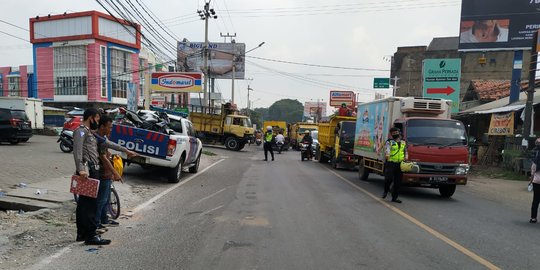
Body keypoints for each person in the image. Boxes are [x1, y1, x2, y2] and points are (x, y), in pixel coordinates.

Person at [72, 108, 110, 245]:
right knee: (90, 205)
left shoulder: (89, 133)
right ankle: (91, 235)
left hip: (91, 172)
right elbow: (77, 152)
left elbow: (107, 143)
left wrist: (126, 151)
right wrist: (81, 169)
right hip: (87, 172)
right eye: (98, 119)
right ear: (91, 118)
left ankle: (82, 233)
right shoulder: (81, 131)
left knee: (84, 204)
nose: (98, 122)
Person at [95, 115, 136, 231]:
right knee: (101, 200)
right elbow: (105, 159)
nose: (111, 130)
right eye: (109, 127)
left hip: (106, 174)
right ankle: (96, 223)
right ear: (102, 126)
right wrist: (116, 173)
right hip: (102, 174)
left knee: (105, 199)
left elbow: (112, 146)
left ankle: (104, 219)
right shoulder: (98, 139)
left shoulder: (102, 138)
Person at [382, 127, 407, 203]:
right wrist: (387, 154)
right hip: (391, 163)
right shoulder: (389, 142)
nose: (395, 134)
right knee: (389, 179)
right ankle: (385, 191)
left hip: (400, 164)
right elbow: (387, 150)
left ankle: (394, 198)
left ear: (399, 133)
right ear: (391, 134)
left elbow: (405, 151)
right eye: (393, 133)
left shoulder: (403, 142)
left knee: (398, 182)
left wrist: (406, 156)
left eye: (396, 132)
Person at [529, 138, 540, 223]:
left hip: (536, 182)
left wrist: (530, 182)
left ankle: (533, 218)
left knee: (535, 200)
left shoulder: (535, 162)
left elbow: (532, 173)